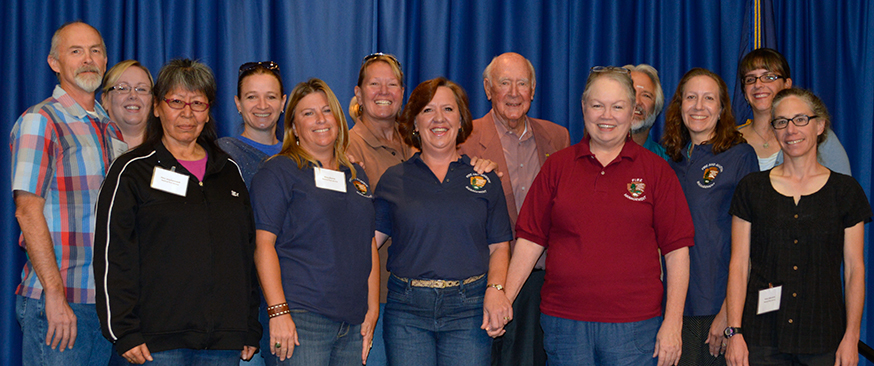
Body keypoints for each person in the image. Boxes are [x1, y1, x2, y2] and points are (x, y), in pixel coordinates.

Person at [503, 66, 695, 366]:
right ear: (583, 108)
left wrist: (673, 323)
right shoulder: (558, 167)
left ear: (632, 111)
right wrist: (505, 299)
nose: (607, 116)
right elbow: (530, 240)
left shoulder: (657, 171)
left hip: (635, 327)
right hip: (564, 325)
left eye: (617, 107)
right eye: (597, 105)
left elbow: (677, 253)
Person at [94, 59, 261, 365]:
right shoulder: (132, 171)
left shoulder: (229, 172)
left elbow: (245, 254)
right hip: (155, 344)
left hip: (223, 344)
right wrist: (123, 330)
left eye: (197, 102)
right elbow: (112, 255)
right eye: (176, 102)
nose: (187, 113)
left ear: (208, 109)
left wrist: (249, 326)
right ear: (157, 107)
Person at [725, 88, 870, 366]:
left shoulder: (846, 191)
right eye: (781, 122)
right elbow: (739, 264)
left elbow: (854, 269)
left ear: (820, 125)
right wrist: (735, 333)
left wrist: (851, 337)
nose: (791, 130)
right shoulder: (751, 188)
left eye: (800, 119)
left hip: (823, 337)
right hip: (762, 336)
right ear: (775, 130)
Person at [374, 77, 513, 366]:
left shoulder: (485, 178)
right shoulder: (393, 179)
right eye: (427, 110)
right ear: (414, 122)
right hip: (406, 311)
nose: (439, 119)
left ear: (461, 120)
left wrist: (496, 291)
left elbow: (500, 247)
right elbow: (366, 246)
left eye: (448, 109)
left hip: (470, 308)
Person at [10, 21, 126, 366]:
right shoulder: (41, 121)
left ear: (105, 61)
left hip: (102, 304)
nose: (87, 59)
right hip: (61, 304)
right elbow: (27, 211)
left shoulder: (109, 126)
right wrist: (55, 296)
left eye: (95, 51)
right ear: (54, 63)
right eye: (75, 51)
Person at [250, 78, 378, 366]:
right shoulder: (278, 172)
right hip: (302, 319)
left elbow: (367, 242)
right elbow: (263, 245)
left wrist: (371, 310)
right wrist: (278, 311)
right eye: (308, 113)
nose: (320, 119)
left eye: (326, 111)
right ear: (294, 126)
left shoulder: (356, 176)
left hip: (353, 323)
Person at [457, 52, 570, 366]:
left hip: (541, 284)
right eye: (504, 83)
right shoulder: (463, 139)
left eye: (522, 83)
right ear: (488, 88)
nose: (514, 92)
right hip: (481, 282)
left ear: (533, 90)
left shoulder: (559, 138)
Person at [662, 68, 758, 366]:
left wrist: (728, 312)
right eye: (691, 97)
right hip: (674, 304)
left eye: (708, 98)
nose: (699, 106)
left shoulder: (740, 156)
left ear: (721, 109)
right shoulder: (672, 160)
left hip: (716, 303)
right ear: (679, 106)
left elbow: (754, 239)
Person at [736, 48, 850, 175]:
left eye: (768, 77)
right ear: (745, 92)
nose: (758, 85)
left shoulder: (817, 136)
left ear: (787, 84)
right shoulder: (730, 140)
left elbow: (843, 190)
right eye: (750, 79)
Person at [217, 61, 286, 190]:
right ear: (238, 104)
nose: (262, 105)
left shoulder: (297, 157)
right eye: (252, 97)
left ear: (282, 103)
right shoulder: (223, 153)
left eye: (271, 97)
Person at [101, 60, 153, 149]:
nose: (133, 95)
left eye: (141, 89)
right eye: (122, 88)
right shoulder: (92, 148)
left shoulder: (169, 150)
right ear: (105, 100)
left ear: (153, 101)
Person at [623, 63, 669, 160]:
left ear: (656, 109)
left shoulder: (667, 163)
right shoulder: (592, 157)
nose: (637, 101)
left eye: (646, 95)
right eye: (631, 92)